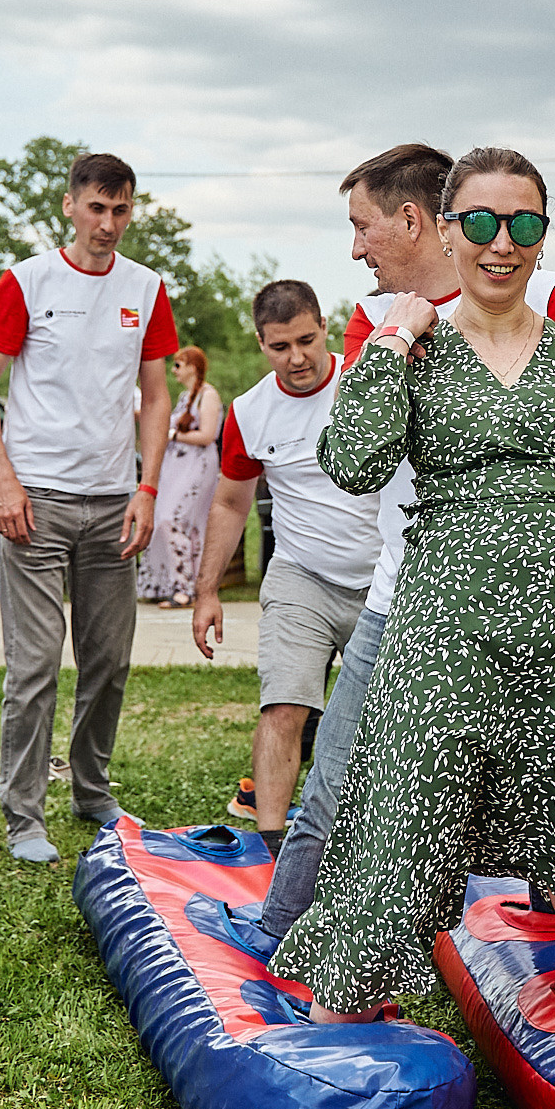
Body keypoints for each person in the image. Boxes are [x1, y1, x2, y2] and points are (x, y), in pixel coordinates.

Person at [271, 147, 555, 1020]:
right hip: (448, 619)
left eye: (526, 223)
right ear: (450, 227)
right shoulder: (414, 349)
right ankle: (342, 1013)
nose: (504, 242)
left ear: (544, 237)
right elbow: (351, 460)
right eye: (484, 222)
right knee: (406, 808)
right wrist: (391, 340)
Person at [253, 143, 555, 939]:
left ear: (410, 221)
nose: (355, 247)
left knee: (547, 777)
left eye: (361, 226)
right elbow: (358, 458)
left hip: (530, 600)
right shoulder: (381, 320)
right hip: (405, 592)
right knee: (336, 776)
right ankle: (277, 930)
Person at [0, 153, 177, 864]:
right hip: (38, 499)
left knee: (108, 660)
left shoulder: (146, 288)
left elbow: (156, 395)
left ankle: (91, 788)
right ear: (69, 206)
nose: (108, 223)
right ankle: (24, 816)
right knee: (33, 665)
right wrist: (6, 480)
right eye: (96, 207)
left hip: (114, 500)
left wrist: (147, 487)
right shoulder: (27, 280)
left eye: (120, 210)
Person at [192, 281, 380, 847]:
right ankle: (270, 845)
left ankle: (379, 846)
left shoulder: (369, 380)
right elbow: (229, 502)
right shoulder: (248, 412)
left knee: (390, 728)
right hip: (302, 575)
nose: (297, 359)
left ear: (326, 326)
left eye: (306, 340)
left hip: (388, 577)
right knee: (284, 706)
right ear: (261, 343)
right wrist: (207, 591)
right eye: (280, 347)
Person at [138, 346, 222, 607]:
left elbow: (208, 435)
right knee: (167, 520)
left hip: (198, 467)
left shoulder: (208, 396)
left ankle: (185, 587)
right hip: (176, 468)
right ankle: (167, 584)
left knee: (172, 520)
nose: (174, 370)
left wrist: (172, 435)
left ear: (193, 367)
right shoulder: (185, 397)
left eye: (178, 365)